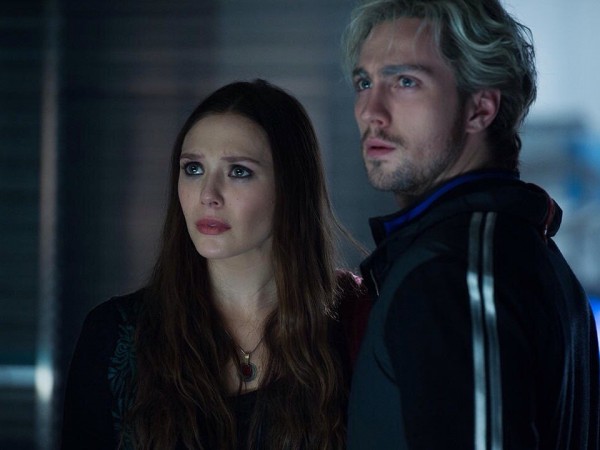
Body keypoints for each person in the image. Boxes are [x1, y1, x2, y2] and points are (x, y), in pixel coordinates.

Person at [341, 0, 600, 448]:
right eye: (364, 82)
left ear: (480, 109)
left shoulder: (456, 271)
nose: (370, 111)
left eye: (405, 81)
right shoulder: (508, 245)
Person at [61, 79, 370, 449]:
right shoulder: (115, 336)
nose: (208, 195)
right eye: (193, 169)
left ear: (291, 187)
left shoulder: (356, 324)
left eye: (238, 171)